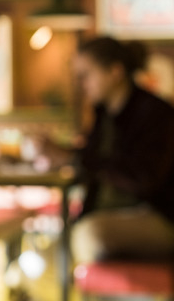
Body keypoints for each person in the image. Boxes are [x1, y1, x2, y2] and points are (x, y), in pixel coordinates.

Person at [68, 37, 174, 264]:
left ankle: (98, 297)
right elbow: (92, 161)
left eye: (86, 75)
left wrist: (78, 158)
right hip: (114, 214)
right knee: (64, 242)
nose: (82, 84)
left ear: (115, 72)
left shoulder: (155, 113)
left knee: (88, 235)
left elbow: (144, 178)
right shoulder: (104, 114)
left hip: (158, 215)